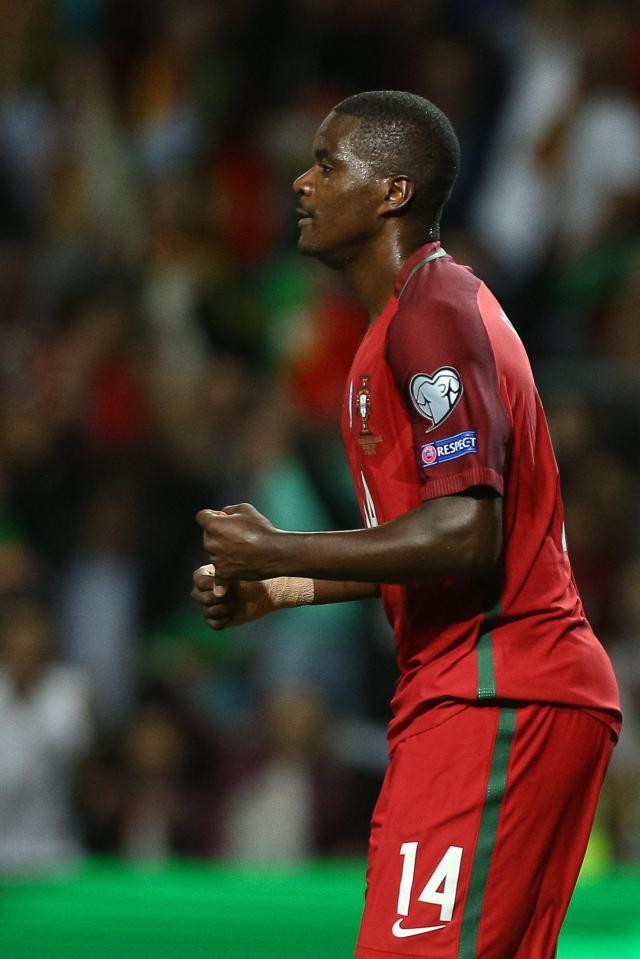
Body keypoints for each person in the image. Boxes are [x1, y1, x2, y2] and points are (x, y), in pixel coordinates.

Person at [192, 91, 621, 959]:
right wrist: (287, 586)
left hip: (499, 689)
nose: (301, 183)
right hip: (487, 694)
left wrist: (279, 543)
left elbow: (467, 533)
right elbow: (429, 541)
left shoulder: (432, 312)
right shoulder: (405, 324)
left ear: (392, 191)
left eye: (327, 163)